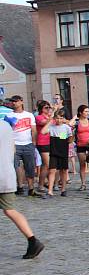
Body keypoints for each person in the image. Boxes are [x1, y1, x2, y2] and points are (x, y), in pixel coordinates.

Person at [0, 111, 44, 259]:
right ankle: (32, 240)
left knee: (9, 210)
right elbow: (12, 150)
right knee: (10, 210)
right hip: (7, 174)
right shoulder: (6, 126)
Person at [9, 95, 37, 197]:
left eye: (15, 101)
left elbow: (33, 129)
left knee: (30, 167)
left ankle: (31, 188)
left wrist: (33, 142)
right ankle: (19, 186)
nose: (13, 103)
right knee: (15, 166)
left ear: (21, 102)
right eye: (12, 101)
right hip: (15, 144)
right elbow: (8, 131)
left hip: (28, 144)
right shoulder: (9, 115)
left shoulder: (29, 115)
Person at [44, 108, 71, 198]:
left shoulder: (66, 128)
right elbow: (43, 131)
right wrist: (50, 121)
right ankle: (50, 191)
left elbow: (69, 139)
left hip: (63, 151)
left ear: (63, 119)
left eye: (61, 118)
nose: (59, 120)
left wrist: (70, 136)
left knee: (63, 171)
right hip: (54, 151)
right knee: (52, 170)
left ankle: (63, 189)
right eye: (57, 118)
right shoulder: (51, 128)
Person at [34, 100, 52, 194]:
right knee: (46, 164)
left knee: (51, 165)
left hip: (51, 141)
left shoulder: (49, 116)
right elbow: (44, 123)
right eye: (46, 107)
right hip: (42, 142)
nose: (48, 109)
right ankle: (40, 184)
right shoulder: (38, 117)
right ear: (41, 109)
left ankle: (49, 182)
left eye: (49, 107)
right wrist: (52, 116)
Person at [72, 105, 89, 191]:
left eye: (88, 111)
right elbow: (70, 125)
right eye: (85, 111)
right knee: (82, 165)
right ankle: (83, 183)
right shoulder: (77, 122)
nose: (87, 113)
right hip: (80, 145)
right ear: (80, 112)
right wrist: (75, 117)